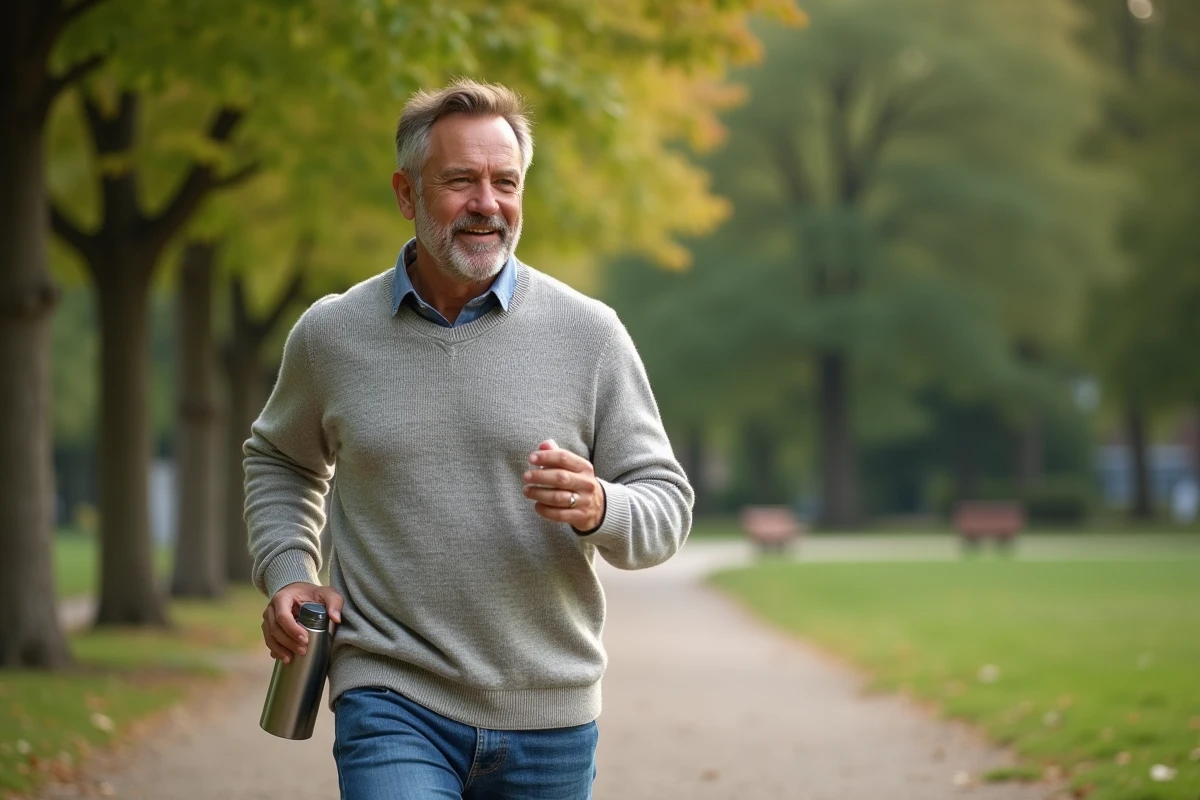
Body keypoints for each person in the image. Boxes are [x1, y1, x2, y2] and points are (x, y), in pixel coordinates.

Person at [244, 79, 694, 800]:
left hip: (550, 712)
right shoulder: (331, 335)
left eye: (505, 182)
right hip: (390, 691)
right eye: (461, 181)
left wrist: (601, 506)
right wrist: (289, 568)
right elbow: (280, 459)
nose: (487, 203)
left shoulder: (591, 335)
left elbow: (666, 506)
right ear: (407, 193)